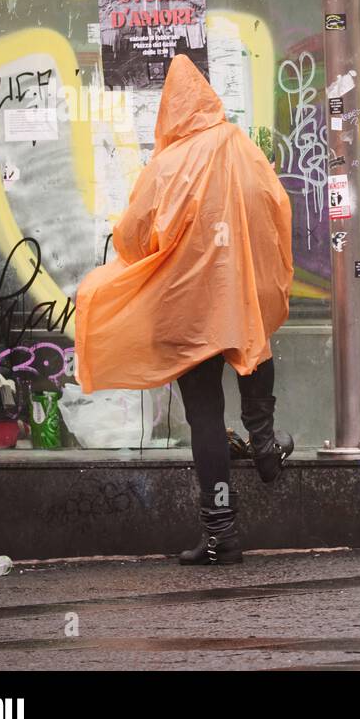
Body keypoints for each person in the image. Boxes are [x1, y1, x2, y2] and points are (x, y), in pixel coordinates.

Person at [75, 55, 295, 565]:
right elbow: (276, 206)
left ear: (169, 113)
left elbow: (131, 237)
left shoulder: (166, 166)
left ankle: (221, 534)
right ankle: (264, 445)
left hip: (185, 312)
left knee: (204, 418)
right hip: (238, 299)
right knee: (253, 354)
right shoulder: (241, 147)